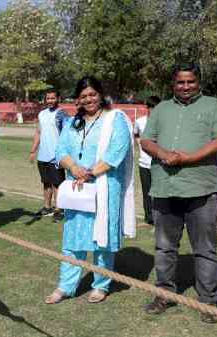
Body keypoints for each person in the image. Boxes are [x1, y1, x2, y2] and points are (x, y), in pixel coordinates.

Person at [140, 64, 217, 323]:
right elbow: (146, 140)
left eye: (190, 81)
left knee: (204, 248)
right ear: (173, 84)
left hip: (201, 189)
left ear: (198, 82)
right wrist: (164, 155)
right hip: (165, 188)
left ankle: (208, 302)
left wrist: (188, 158)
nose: (185, 86)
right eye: (180, 82)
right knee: (165, 247)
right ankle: (165, 293)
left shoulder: (215, 106)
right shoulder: (161, 109)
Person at [44, 76, 135, 304]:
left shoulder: (116, 120)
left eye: (93, 94)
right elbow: (61, 150)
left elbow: (116, 153)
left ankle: (101, 285)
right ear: (78, 99)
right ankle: (66, 286)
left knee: (101, 239)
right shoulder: (73, 123)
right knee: (73, 239)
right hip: (78, 189)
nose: (89, 99)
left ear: (101, 94)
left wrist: (90, 172)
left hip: (104, 188)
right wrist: (74, 167)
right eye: (84, 96)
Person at [29, 88, 68, 221]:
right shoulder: (41, 114)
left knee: (58, 184)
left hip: (56, 157)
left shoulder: (61, 114)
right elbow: (39, 132)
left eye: (53, 98)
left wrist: (64, 154)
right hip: (43, 156)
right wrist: (33, 150)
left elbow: (67, 135)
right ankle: (47, 207)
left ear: (58, 99)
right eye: (48, 98)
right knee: (46, 183)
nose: (50, 100)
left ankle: (59, 209)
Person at [134, 96, 161, 226]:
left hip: (159, 163)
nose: (153, 110)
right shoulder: (140, 122)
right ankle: (149, 216)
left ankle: (161, 216)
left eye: (155, 107)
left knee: (160, 192)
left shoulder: (164, 122)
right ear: (147, 108)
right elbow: (136, 134)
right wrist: (140, 145)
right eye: (150, 107)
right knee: (147, 191)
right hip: (144, 163)